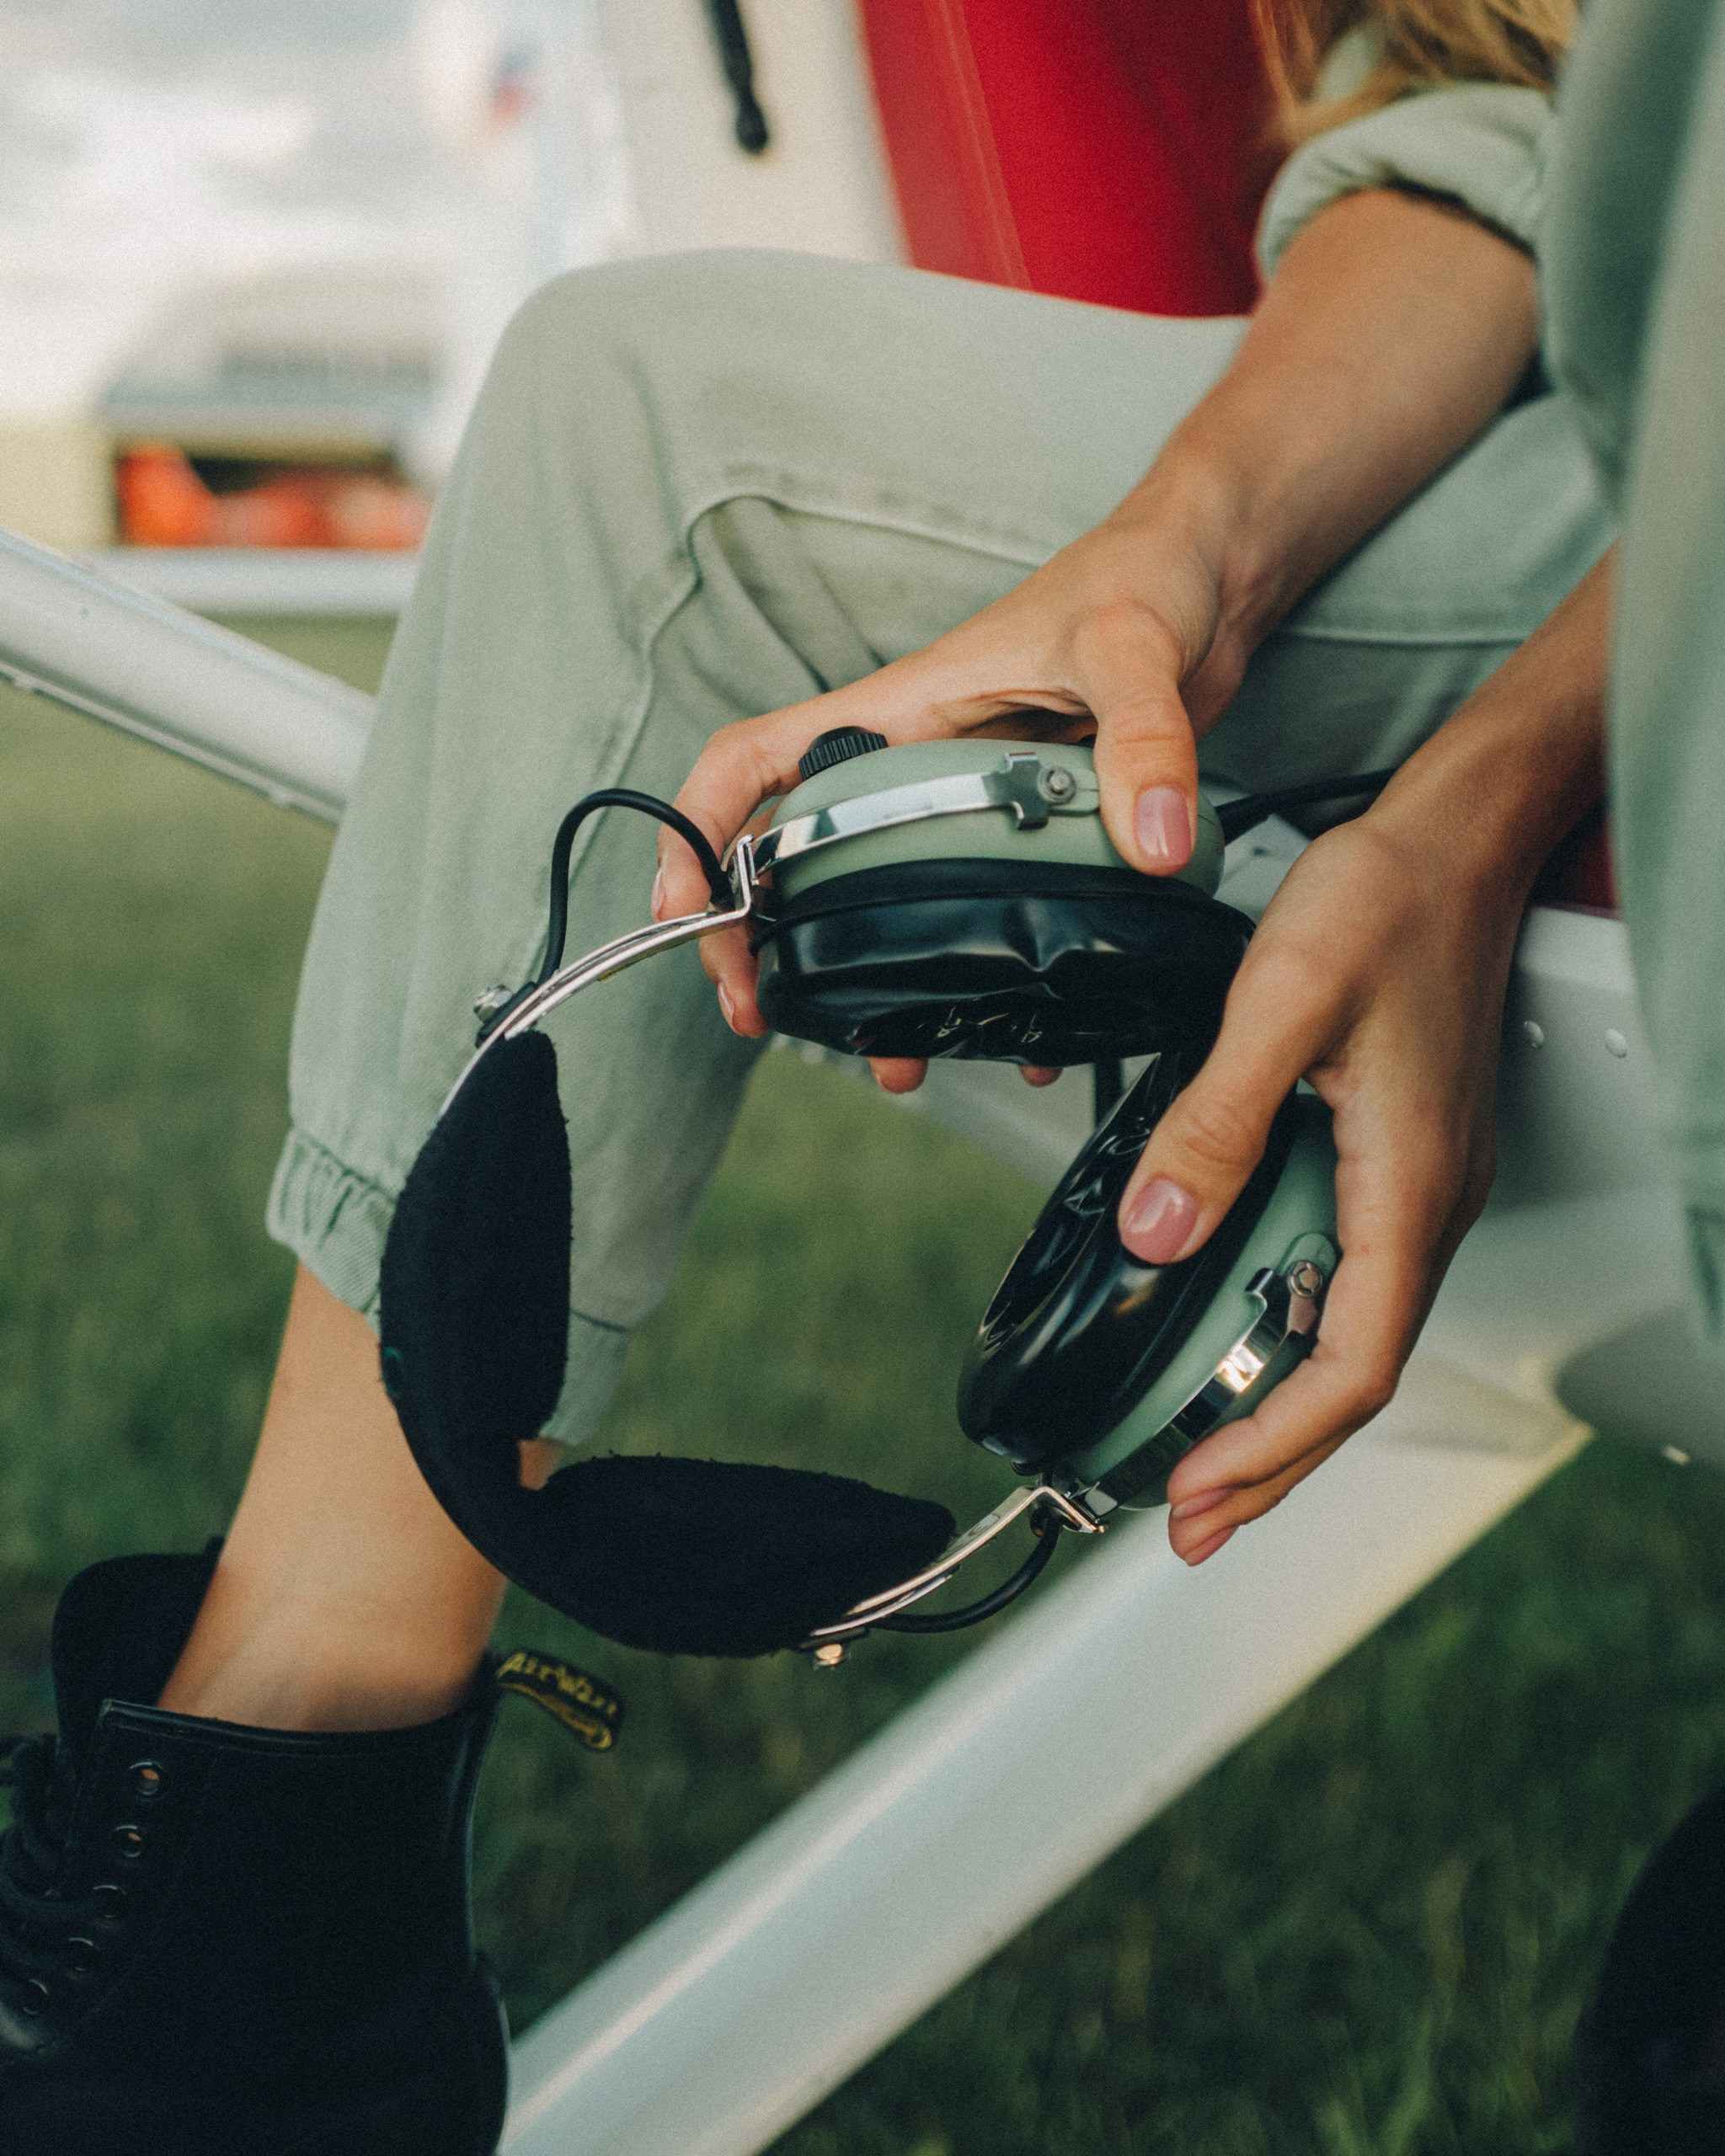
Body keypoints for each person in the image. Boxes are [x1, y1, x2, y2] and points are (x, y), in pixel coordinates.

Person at [0, 3, 1637, 2148]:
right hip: (1599, 412)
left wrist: (1476, 804)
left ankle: (241, 1967)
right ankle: (283, 1865)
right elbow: (1499, 116)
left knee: (659, 445)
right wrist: (1183, 554)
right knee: (648, 423)